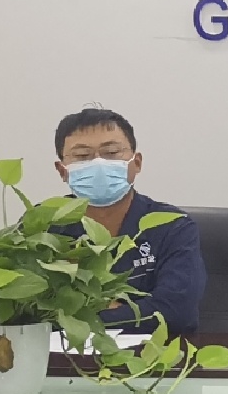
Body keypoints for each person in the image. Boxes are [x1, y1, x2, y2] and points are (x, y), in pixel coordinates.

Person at [53, 107, 206, 334]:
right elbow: (24, 313)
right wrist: (126, 312)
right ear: (62, 171)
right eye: (82, 156)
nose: (98, 164)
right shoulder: (46, 226)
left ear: (137, 163)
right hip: (60, 355)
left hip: (154, 355)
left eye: (111, 152)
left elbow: (176, 312)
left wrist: (80, 317)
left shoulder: (172, 227)